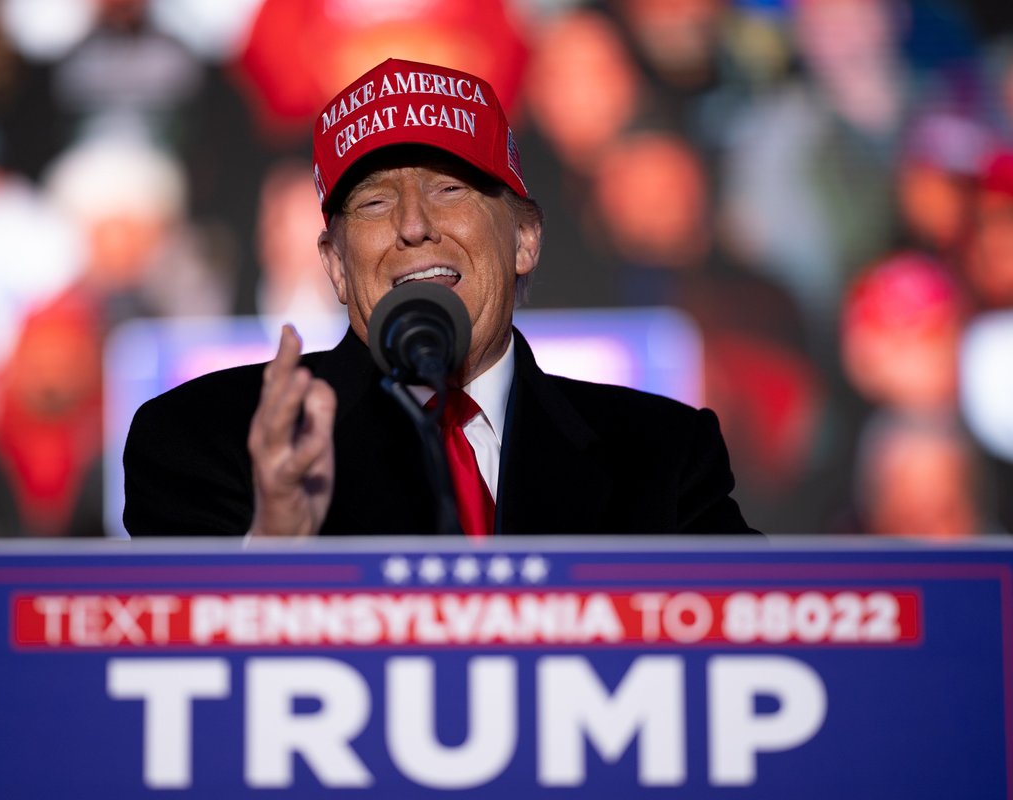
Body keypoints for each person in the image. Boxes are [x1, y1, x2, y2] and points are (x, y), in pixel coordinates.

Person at [123, 57, 756, 537]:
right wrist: (275, 554)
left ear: (525, 240)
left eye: (450, 190)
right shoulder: (206, 440)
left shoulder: (665, 456)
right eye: (374, 201)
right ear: (335, 265)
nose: (412, 225)